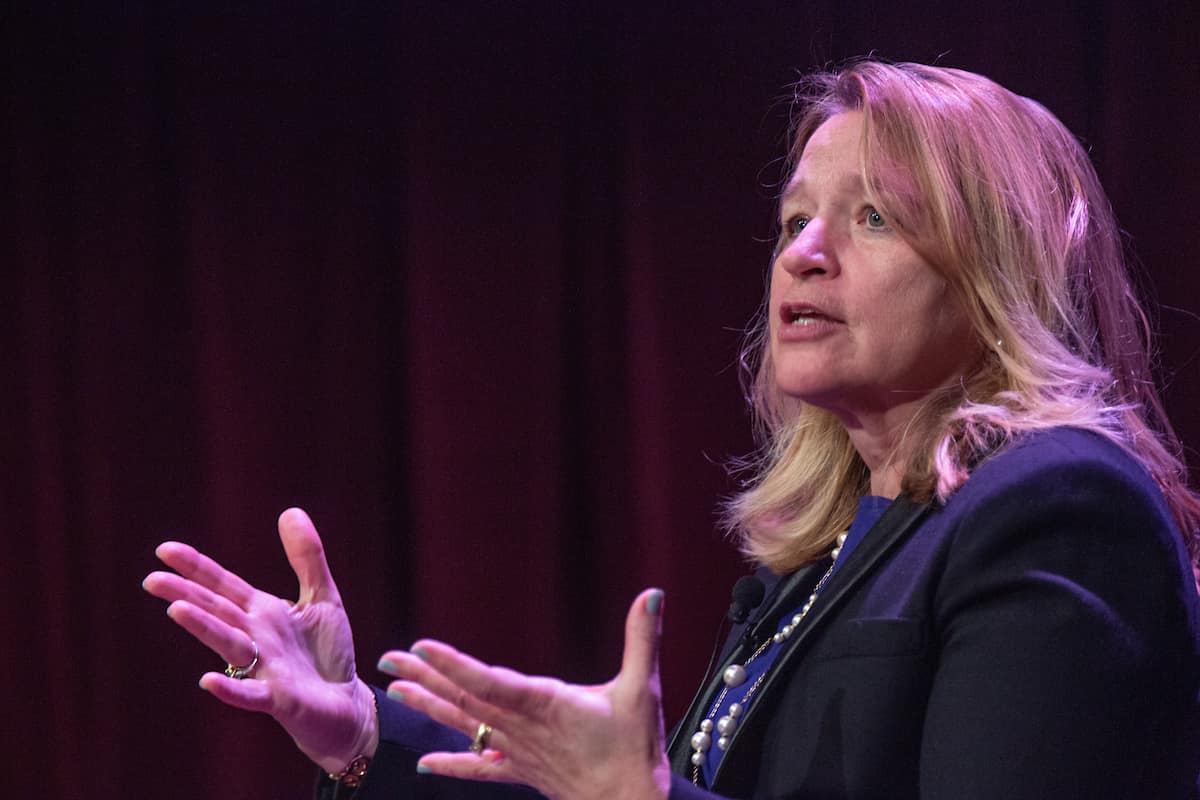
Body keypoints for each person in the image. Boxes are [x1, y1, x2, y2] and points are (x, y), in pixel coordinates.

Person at [144, 60, 1200, 799]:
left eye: (873, 215)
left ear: (997, 272)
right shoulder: (826, 566)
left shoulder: (1058, 505)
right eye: (794, 220)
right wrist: (360, 729)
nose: (805, 251)